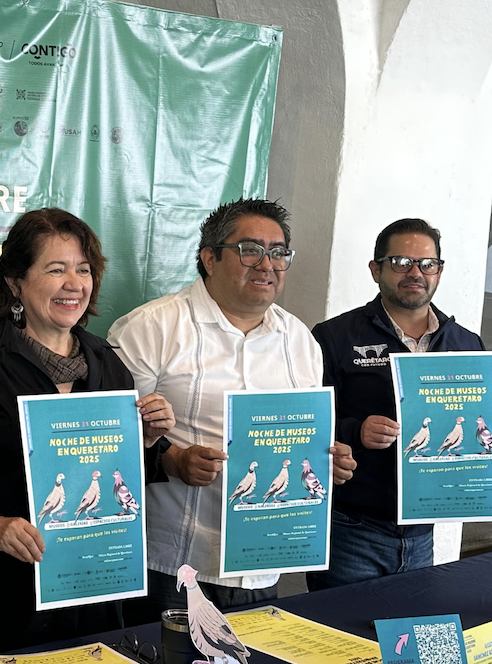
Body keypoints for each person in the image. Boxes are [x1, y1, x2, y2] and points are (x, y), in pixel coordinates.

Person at [0, 208, 174, 664]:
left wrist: (148, 440)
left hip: (86, 594)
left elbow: (116, 474)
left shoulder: (106, 362)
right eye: (56, 269)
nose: (73, 284)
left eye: (83, 270)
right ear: (15, 282)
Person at [109, 198, 356, 620]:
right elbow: (110, 437)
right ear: (209, 258)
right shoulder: (151, 328)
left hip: (262, 560)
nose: (267, 264)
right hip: (170, 563)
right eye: (250, 250)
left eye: (278, 252)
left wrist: (328, 459)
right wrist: (172, 459)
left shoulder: (300, 340)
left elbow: (303, 435)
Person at [307, 218, 492, 589]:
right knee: (341, 627)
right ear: (376, 269)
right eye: (400, 262)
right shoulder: (334, 336)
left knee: (410, 626)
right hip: (351, 529)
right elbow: (308, 426)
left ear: (439, 271)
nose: (415, 273)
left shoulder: (466, 344)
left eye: (427, 264)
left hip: (423, 533)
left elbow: (479, 431)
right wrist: (356, 431)